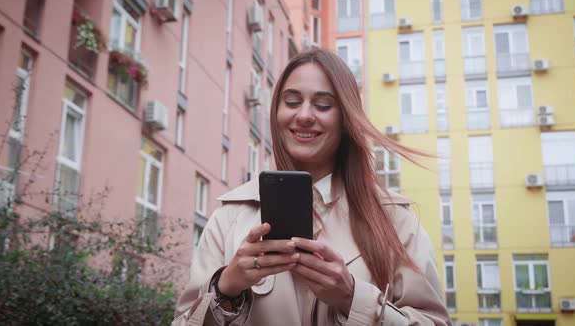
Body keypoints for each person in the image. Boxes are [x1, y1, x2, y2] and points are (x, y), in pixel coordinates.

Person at [173, 49, 451, 326]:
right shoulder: (229, 219)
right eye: (292, 101)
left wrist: (352, 297)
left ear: (346, 118)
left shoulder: (395, 221)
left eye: (323, 105)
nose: (304, 115)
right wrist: (226, 288)